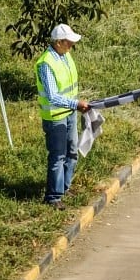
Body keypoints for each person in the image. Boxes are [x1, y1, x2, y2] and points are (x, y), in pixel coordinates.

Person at [35, 24, 90, 210]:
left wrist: (75, 106)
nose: (71, 46)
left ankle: (64, 188)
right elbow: (52, 96)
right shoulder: (46, 63)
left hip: (70, 113)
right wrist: (76, 104)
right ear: (59, 42)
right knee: (58, 156)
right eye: (69, 43)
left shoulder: (65, 56)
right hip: (55, 117)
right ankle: (53, 197)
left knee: (72, 151)